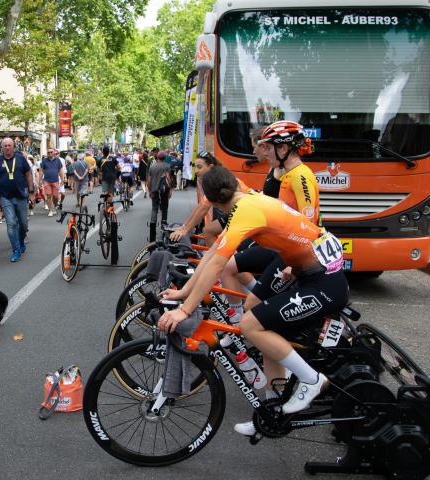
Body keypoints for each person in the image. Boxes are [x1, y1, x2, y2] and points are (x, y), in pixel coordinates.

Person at [158, 166, 348, 433]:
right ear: (235, 183)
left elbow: (216, 265)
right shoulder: (247, 204)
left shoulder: (246, 211)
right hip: (311, 274)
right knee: (266, 331)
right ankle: (272, 413)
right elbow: (213, 254)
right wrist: (184, 292)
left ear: (212, 202)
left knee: (250, 324)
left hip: (325, 282)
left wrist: (184, 310)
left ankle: (311, 379)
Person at [220, 121, 319, 323]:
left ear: (283, 148)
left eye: (268, 148)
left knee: (253, 307)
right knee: (230, 268)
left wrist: (293, 264)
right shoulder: (287, 174)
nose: (264, 153)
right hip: (283, 246)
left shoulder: (301, 176)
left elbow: (310, 220)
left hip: (294, 252)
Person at [0, 137, 36, 262]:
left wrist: (31, 191)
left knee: (23, 224)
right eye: (5, 145)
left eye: (9, 145)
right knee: (11, 223)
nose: (7, 147)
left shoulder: (21, 159)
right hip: (6, 197)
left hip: (21, 195)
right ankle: (16, 249)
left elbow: (28, 174)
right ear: (2, 147)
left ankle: (21, 240)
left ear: (13, 147)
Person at [147, 151, 172, 229]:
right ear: (165, 158)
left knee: (154, 208)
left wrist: (149, 191)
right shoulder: (167, 166)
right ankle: (163, 223)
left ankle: (153, 224)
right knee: (164, 207)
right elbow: (168, 179)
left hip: (154, 190)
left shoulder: (152, 167)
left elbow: (149, 181)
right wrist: (170, 190)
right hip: (164, 190)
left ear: (157, 157)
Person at [39, 148, 65, 217]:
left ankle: (55, 205)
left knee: (55, 196)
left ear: (54, 153)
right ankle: (50, 210)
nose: (50, 154)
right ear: (47, 153)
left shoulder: (58, 160)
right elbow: (41, 171)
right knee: (48, 195)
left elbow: (60, 170)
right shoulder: (44, 161)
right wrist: (39, 180)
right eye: (48, 152)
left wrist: (62, 179)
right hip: (46, 181)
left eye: (51, 152)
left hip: (55, 181)